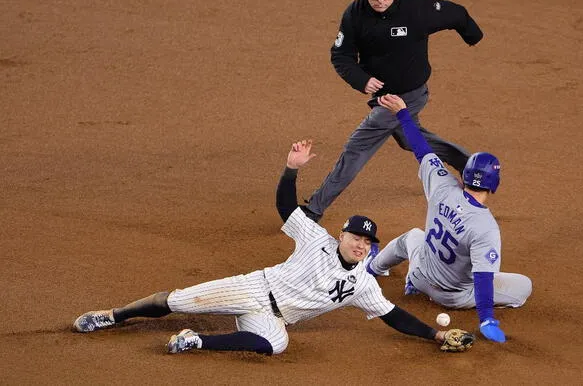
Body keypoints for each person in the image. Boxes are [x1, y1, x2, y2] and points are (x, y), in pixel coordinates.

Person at [73, 140, 474, 355]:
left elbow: (394, 317)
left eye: (368, 242)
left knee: (275, 345)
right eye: (356, 237)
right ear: (342, 236)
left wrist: (434, 337)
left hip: (276, 317)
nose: (361, 245)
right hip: (252, 289)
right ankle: (113, 315)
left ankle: (196, 341)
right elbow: (285, 208)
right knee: (175, 300)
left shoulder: (364, 285)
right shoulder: (316, 238)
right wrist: (292, 169)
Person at [303, 0, 483, 221]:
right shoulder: (355, 13)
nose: (380, 0)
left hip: (409, 95)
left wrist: (473, 36)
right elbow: (341, 55)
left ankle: (313, 210)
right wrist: (361, 80)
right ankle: (471, 167)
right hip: (383, 97)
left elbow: (457, 13)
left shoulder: (417, 9)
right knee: (413, 140)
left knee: (357, 147)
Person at [366, 94, 533, 343]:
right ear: (494, 185)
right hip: (452, 297)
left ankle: (372, 269)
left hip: (421, 275)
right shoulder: (485, 227)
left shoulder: (443, 186)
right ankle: (464, 303)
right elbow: (483, 278)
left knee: (411, 237)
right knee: (523, 287)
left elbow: (421, 149)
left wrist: (403, 113)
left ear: (464, 175)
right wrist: (486, 318)